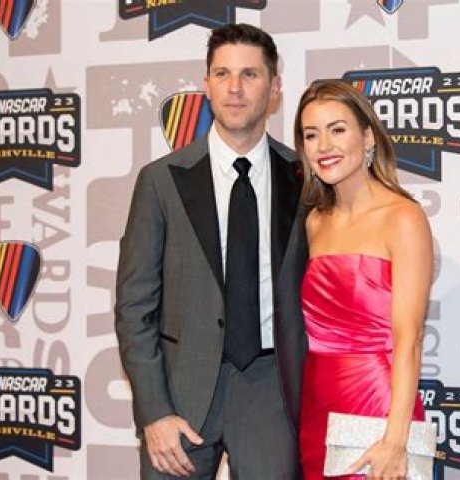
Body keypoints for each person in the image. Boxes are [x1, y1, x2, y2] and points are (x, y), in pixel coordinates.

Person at [115, 23, 307, 479]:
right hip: (180, 389)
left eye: (250, 74)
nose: (234, 88)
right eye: (222, 74)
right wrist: (154, 412)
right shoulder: (161, 180)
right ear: (207, 84)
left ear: (275, 87)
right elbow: (134, 306)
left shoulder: (304, 179)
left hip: (270, 389)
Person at [294, 80, 433, 479]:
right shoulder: (315, 222)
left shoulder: (403, 218)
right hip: (317, 405)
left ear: (368, 137)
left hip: (377, 402)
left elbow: (409, 339)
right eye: (311, 135)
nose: (324, 146)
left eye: (337, 129)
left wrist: (396, 439)